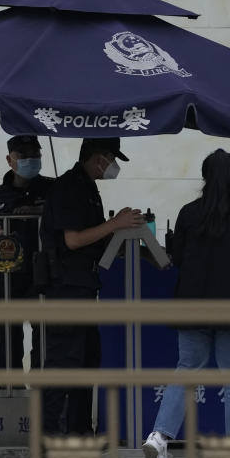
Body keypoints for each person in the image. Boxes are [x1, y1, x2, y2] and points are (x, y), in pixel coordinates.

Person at [143, 149, 230, 458]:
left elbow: (179, 259)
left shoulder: (188, 213)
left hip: (192, 305)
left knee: (186, 371)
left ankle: (159, 438)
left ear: (204, 178)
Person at [40, 137, 145, 436]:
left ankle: (79, 432)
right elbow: (72, 240)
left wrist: (119, 229)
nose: (112, 167)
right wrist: (116, 224)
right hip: (66, 289)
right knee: (64, 362)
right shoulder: (69, 187)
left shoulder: (87, 188)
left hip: (84, 287)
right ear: (98, 157)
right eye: (111, 159)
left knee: (86, 360)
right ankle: (51, 435)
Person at [0, 135, 53, 386]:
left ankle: (42, 392)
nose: (31, 160)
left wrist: (40, 213)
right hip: (3, 276)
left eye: (36, 155)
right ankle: (11, 391)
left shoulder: (54, 190)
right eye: (24, 156)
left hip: (41, 274)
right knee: (6, 337)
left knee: (47, 333)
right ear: (10, 160)